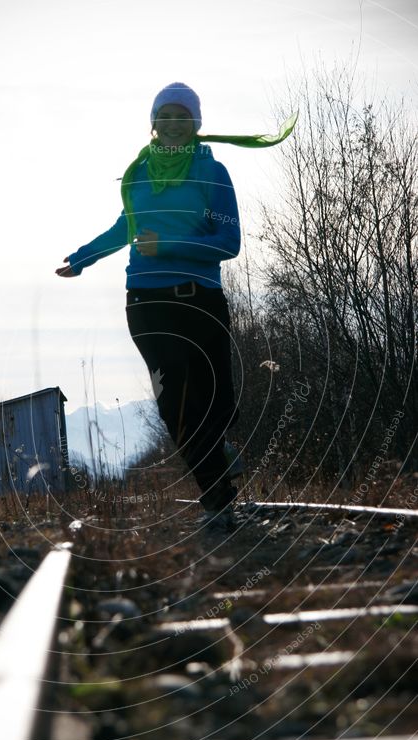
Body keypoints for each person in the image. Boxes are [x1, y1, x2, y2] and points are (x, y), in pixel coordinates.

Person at [56, 82, 297, 531]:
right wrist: (84, 258)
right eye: (164, 115)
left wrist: (167, 244)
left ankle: (218, 451)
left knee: (219, 404)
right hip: (147, 303)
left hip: (201, 301)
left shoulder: (214, 174)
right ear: (153, 122)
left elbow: (228, 243)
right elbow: (124, 227)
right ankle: (218, 501)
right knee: (178, 407)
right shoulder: (138, 174)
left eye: (181, 116)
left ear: (195, 125)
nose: (171, 124)